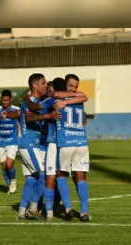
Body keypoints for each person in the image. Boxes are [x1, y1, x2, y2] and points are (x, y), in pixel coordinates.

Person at [4, 73, 61, 220]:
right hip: (29, 144)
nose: (45, 85)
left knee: (31, 179)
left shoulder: (34, 101)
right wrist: (49, 116)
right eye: (42, 83)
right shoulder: (29, 101)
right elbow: (29, 117)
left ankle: (21, 211)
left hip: (31, 144)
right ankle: (34, 208)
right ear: (34, 85)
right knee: (43, 174)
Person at [54, 77, 91, 222]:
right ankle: (84, 212)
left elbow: (54, 96)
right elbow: (84, 96)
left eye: (75, 87)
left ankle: (68, 209)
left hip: (67, 142)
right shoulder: (80, 99)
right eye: (71, 86)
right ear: (65, 85)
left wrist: (64, 101)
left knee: (60, 174)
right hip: (81, 142)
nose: (73, 89)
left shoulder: (58, 100)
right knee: (80, 177)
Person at [0, 90, 20, 194]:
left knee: (9, 164)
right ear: (1, 99)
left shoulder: (16, 110)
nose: (5, 102)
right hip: (1, 141)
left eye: (7, 100)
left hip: (13, 140)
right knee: (3, 166)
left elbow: (22, 122)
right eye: (3, 100)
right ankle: (10, 186)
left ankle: (13, 180)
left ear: (11, 99)